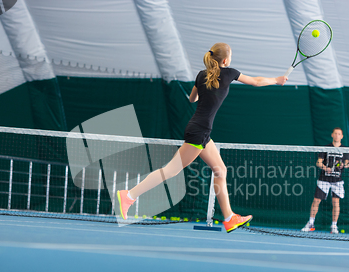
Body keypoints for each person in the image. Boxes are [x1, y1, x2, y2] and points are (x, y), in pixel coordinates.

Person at [117, 42, 288, 233]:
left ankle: (230, 218)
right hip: (198, 131)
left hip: (201, 130)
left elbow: (192, 99)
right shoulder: (229, 73)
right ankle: (129, 195)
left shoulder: (201, 75)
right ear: (225, 60)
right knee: (170, 171)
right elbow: (256, 81)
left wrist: (205, 92)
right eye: (230, 56)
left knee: (220, 170)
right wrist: (277, 79)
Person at [302, 127, 349, 234]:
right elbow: (318, 162)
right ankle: (310, 223)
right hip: (324, 179)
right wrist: (325, 168)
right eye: (335, 133)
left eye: (339, 134)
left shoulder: (345, 149)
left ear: (342, 136)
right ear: (332, 135)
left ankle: (334, 226)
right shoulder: (326, 148)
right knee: (316, 200)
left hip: (337, 181)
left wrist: (343, 165)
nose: (337, 135)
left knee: (336, 202)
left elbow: (347, 164)